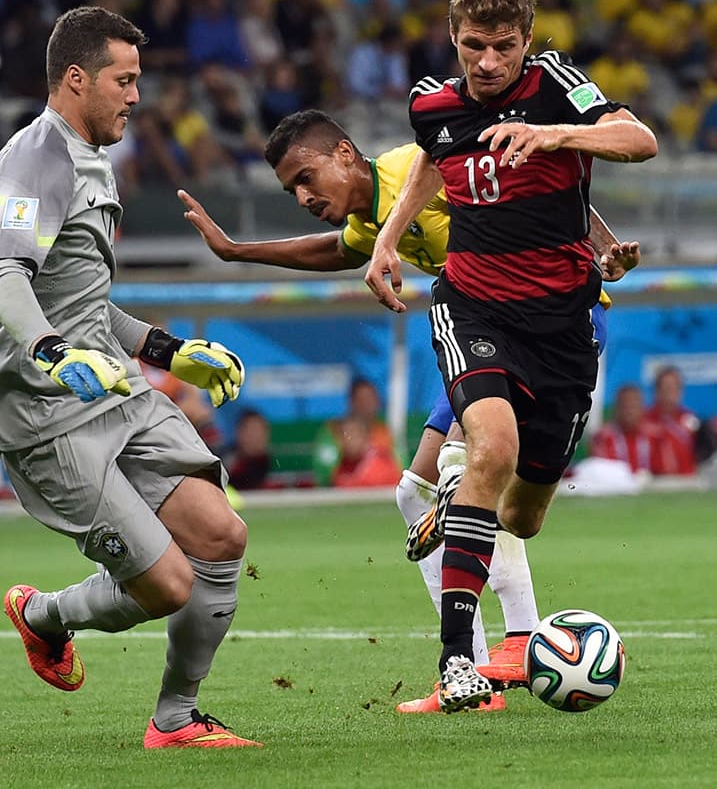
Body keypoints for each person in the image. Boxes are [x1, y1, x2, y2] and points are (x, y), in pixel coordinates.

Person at [178, 107, 640, 711]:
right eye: (291, 188)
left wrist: (603, 245)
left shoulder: (409, 169)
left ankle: (516, 639)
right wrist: (239, 253)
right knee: (417, 490)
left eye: (307, 177)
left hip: (556, 321)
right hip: (490, 327)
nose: (302, 196)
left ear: (346, 154)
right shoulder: (371, 220)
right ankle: (473, 672)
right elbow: (336, 252)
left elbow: (533, 183)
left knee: (473, 474)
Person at [0, 6, 261, 749]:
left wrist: (164, 348)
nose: (136, 96)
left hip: (116, 399)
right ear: (75, 79)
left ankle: (176, 720)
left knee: (220, 535)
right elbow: (2, 276)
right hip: (45, 416)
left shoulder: (92, 157)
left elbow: (82, 300)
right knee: (166, 585)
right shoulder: (37, 162)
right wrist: (56, 355)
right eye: (123, 80)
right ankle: (42, 616)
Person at [363, 0, 656, 711]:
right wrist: (387, 239)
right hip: (474, 307)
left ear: (526, 40)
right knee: (488, 448)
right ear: (453, 39)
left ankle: (462, 503)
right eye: (470, 46)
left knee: (521, 513)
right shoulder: (430, 103)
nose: (485, 63)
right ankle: (457, 661)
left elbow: (639, 138)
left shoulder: (556, 84)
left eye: (500, 46)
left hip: (562, 324)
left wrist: (557, 135)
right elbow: (437, 161)